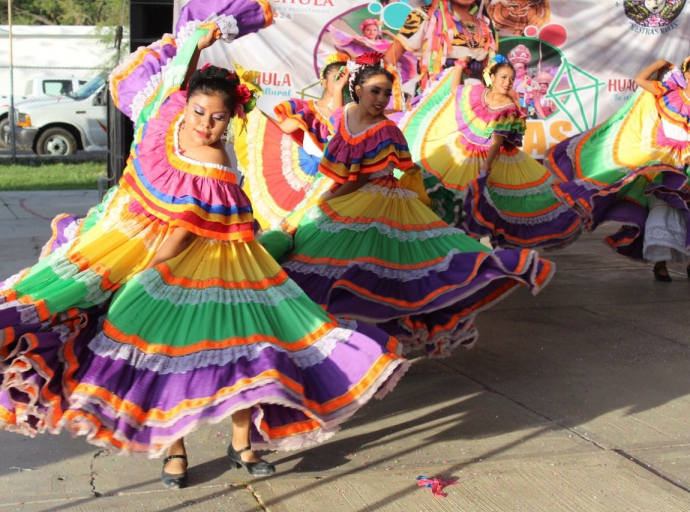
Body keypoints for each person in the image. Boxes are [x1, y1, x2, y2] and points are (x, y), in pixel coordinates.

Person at [0, 17, 409, 491]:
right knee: (165, 359)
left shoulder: (213, 159)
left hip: (215, 259)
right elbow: (178, 80)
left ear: (232, 117)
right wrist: (198, 41)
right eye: (198, 112)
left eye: (217, 117)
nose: (205, 124)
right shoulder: (171, 115)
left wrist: (150, 269)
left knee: (240, 354)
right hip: (167, 259)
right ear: (186, 105)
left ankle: (241, 443)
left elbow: (184, 226)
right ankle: (174, 449)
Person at [260, 53, 555, 357]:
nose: (382, 98)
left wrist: (382, 182)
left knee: (385, 269)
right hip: (348, 193)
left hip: (375, 199)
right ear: (358, 90)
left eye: (387, 93)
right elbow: (338, 125)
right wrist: (338, 87)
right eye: (375, 90)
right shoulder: (347, 113)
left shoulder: (387, 130)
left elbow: (370, 176)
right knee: (344, 267)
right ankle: (339, 338)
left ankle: (371, 340)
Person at [399, 56, 582, 248]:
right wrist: (459, 67)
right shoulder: (477, 93)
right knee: (457, 197)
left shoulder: (509, 107)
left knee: (490, 203)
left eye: (511, 79)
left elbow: (497, 140)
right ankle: (458, 244)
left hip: (493, 158)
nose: (507, 82)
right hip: (465, 151)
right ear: (492, 77)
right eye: (503, 77)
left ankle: (481, 246)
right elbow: (455, 90)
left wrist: (486, 166)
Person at [545, 57, 690, 281]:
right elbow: (640, 80)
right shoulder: (668, 93)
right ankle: (661, 264)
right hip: (665, 163)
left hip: (687, 162)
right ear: (687, 75)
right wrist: (658, 63)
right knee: (663, 208)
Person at [234, 55, 350, 229]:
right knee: (292, 223)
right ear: (324, 83)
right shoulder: (307, 109)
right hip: (306, 174)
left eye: (345, 80)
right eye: (336, 79)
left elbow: (339, 129)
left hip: (331, 176)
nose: (342, 83)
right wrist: (252, 109)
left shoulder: (347, 112)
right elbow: (279, 131)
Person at [384, 0, 497, 92]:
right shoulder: (423, 16)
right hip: (436, 103)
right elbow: (388, 60)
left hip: (477, 105)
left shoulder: (486, 22)